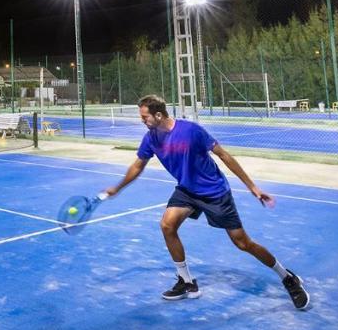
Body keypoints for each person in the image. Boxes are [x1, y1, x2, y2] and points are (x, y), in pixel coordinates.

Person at [99, 94, 310, 310]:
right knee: (167, 225)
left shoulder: (191, 131)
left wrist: (252, 187)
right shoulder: (151, 138)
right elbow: (138, 165)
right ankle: (187, 282)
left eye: (145, 117)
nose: (142, 121)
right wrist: (118, 187)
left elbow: (224, 155)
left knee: (242, 243)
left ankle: (287, 277)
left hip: (214, 192)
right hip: (187, 191)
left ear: (159, 115)